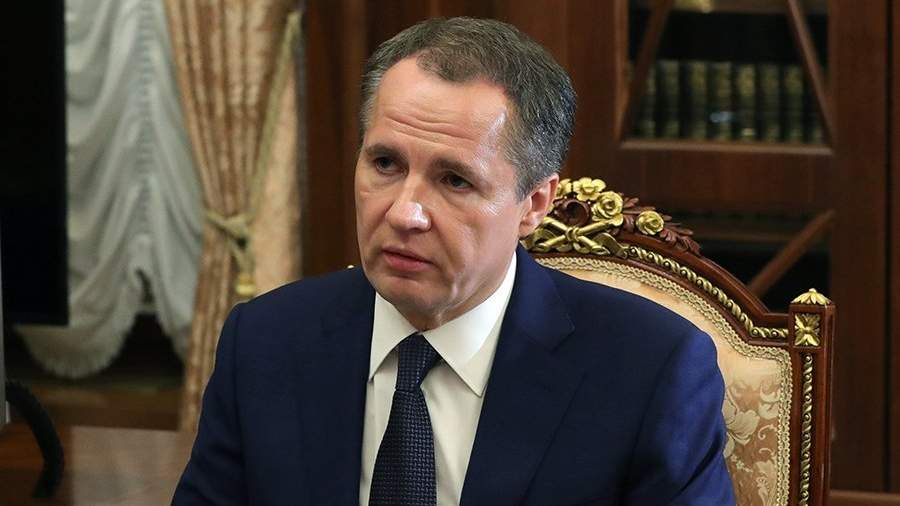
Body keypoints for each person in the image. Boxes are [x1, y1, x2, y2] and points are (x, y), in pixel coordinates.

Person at [172, 17, 734, 506]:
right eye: (385, 164)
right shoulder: (265, 341)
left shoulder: (650, 370)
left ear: (534, 204)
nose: (404, 213)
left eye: (455, 180)